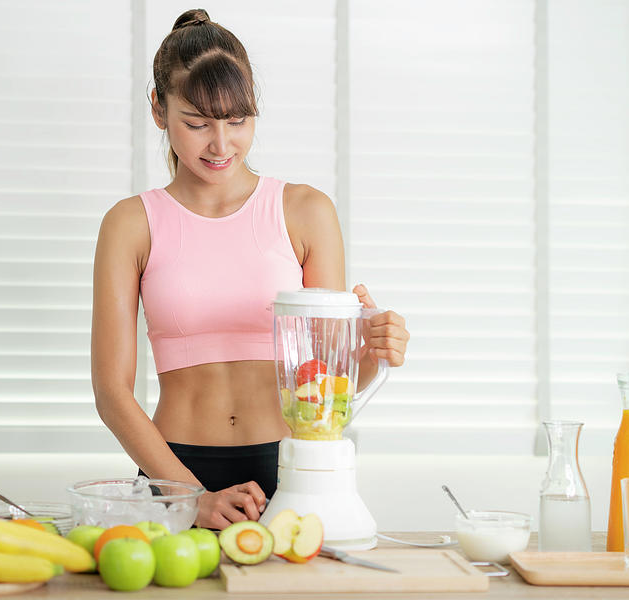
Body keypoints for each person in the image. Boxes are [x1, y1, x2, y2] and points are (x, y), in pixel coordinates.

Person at [91, 8, 410, 531]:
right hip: (173, 472)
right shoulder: (130, 224)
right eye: (197, 124)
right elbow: (112, 393)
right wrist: (191, 497)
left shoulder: (306, 211)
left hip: (290, 464)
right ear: (157, 109)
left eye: (238, 121)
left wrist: (374, 353)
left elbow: (327, 385)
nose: (221, 145)